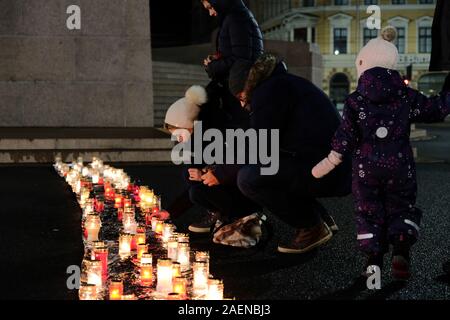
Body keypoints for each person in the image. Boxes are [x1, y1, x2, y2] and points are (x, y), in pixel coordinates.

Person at [312, 27, 450, 281]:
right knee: (401, 207)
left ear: (362, 64)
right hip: (400, 165)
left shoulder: (355, 100)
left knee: (369, 212)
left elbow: (346, 136)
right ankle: (401, 253)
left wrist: (331, 160)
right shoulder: (406, 95)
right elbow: (436, 110)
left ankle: (373, 266)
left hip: (366, 168)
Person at [227, 53, 352, 254]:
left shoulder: (267, 92)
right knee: (276, 169)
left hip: (328, 168)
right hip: (335, 165)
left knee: (249, 178)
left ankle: (313, 226)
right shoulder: (282, 84)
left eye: (241, 97)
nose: (242, 105)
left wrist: (221, 172)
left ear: (247, 85)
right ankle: (321, 217)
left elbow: (260, 147)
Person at [153, 85, 260, 233]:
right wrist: (170, 212)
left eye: (179, 134)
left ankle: (245, 217)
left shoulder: (222, 133)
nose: (178, 140)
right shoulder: (196, 141)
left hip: (247, 191)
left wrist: (207, 173)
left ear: (189, 127)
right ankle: (223, 214)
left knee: (197, 184)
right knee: (193, 186)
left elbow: (242, 164)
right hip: (229, 187)